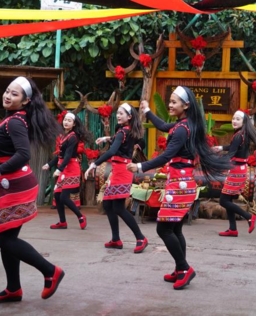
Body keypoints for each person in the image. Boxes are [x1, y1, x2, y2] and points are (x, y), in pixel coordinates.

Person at [127, 86, 232, 290]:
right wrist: (148, 111)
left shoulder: (183, 129)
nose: (170, 105)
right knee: (175, 228)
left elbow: (166, 156)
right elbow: (164, 126)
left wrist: (140, 166)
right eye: (170, 101)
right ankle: (179, 268)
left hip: (180, 185)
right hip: (181, 182)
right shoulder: (183, 125)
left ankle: (184, 269)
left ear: (186, 105)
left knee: (163, 228)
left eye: (174, 102)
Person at [0, 76, 65, 303]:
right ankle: (13, 289)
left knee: (5, 240)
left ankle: (50, 271)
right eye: (7, 91)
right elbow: (1, 143)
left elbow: (23, 154)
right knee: (6, 237)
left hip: (17, 186)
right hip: (12, 185)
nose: (7, 96)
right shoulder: (13, 119)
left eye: (14, 94)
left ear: (25, 101)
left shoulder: (15, 121)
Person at [85, 103, 148, 253]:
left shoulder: (123, 132)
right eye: (118, 113)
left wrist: (94, 164)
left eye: (122, 113)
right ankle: (116, 239)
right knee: (107, 204)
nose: (118, 115)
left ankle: (140, 238)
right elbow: (119, 142)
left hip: (121, 172)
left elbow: (112, 151)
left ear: (129, 116)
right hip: (120, 170)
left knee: (118, 207)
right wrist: (107, 138)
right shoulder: (128, 131)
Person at [212, 110, 256, 236]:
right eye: (233, 118)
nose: (234, 121)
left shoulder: (238, 135)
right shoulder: (243, 134)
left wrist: (215, 162)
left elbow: (231, 154)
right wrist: (221, 148)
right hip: (240, 170)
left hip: (236, 171)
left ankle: (249, 217)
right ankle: (232, 229)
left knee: (223, 201)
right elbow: (234, 148)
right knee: (228, 199)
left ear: (244, 121)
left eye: (238, 119)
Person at [43, 112, 90, 230]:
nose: (66, 122)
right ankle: (62, 222)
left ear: (74, 124)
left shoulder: (73, 137)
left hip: (71, 168)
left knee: (64, 197)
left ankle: (80, 216)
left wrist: (59, 169)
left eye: (69, 121)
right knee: (58, 195)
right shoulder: (64, 136)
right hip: (64, 169)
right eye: (65, 120)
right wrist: (49, 164)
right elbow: (60, 155)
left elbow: (68, 156)